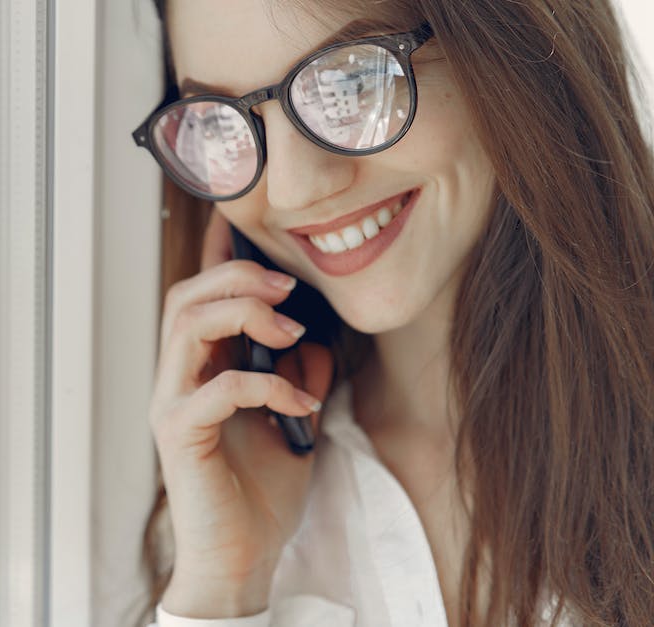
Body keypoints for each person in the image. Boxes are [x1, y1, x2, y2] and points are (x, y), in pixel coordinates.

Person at [132, 0, 654, 625]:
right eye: (222, 123)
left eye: (352, 80)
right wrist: (224, 589)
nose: (294, 189)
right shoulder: (228, 505)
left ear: (510, 50)